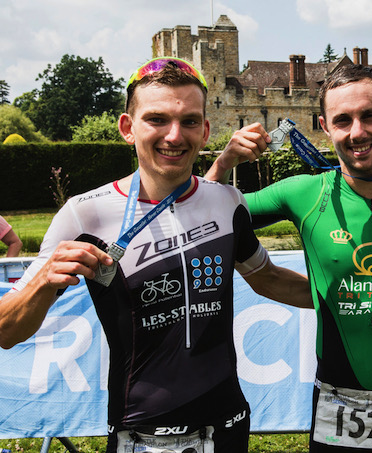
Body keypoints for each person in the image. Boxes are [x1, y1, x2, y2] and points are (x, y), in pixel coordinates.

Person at [0, 57, 311, 452]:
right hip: (139, 435)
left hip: (227, 426)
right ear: (128, 128)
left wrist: (347, 295)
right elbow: (6, 331)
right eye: (157, 119)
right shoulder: (85, 213)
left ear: (206, 129)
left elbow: (268, 277)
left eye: (190, 121)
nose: (174, 135)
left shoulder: (227, 201)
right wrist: (44, 282)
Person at [206, 64, 372, 453]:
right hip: (336, 399)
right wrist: (224, 162)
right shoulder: (302, 193)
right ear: (324, 125)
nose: (357, 132)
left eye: (370, 115)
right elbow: (205, 214)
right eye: (343, 120)